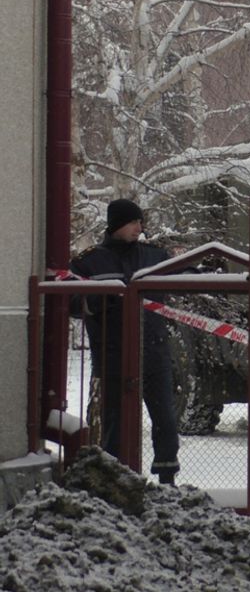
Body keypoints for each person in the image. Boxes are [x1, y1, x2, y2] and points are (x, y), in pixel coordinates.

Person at [70, 198, 180, 485]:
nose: (139, 228)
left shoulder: (155, 256)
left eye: (140, 222)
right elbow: (69, 301)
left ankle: (167, 480)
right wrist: (103, 299)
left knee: (166, 420)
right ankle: (116, 482)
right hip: (113, 356)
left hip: (154, 353)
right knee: (115, 422)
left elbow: (184, 276)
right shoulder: (89, 262)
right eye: (133, 222)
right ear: (116, 224)